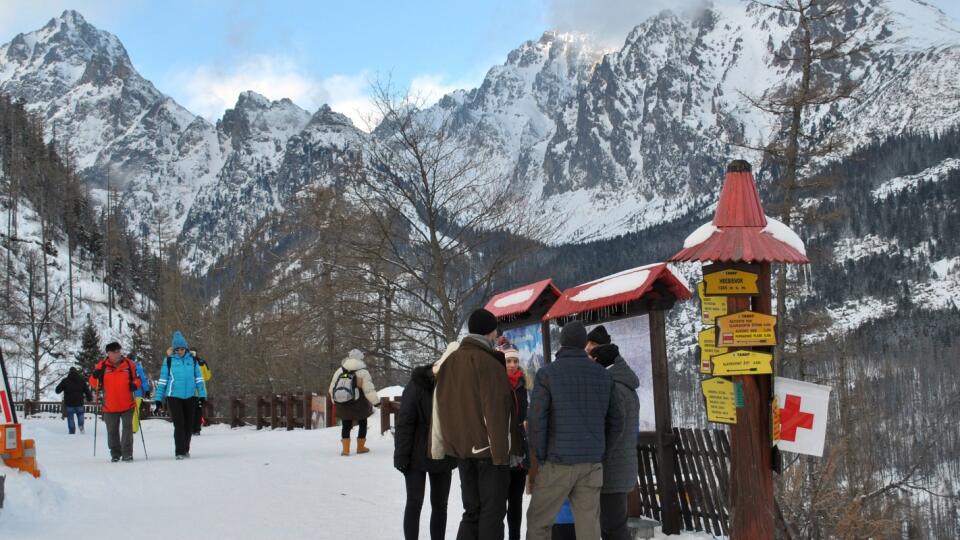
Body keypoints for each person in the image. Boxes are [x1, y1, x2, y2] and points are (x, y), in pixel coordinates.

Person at [526, 321, 619, 540]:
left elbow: (537, 418)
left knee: (539, 523)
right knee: (589, 526)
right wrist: (602, 451)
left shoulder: (547, 374)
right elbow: (617, 420)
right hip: (591, 462)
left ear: (562, 343)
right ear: (584, 344)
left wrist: (541, 455)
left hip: (557, 461)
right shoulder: (603, 375)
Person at [434, 308, 514, 540]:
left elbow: (440, 405)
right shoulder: (489, 363)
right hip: (489, 452)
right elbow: (496, 411)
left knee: (472, 511)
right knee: (493, 512)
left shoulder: (450, 361)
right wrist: (501, 456)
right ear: (491, 332)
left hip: (461, 450)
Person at [394, 344, 459, 540]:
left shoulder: (457, 386)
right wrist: (402, 454)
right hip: (416, 453)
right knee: (415, 502)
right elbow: (405, 421)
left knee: (440, 505)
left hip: (443, 453)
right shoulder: (418, 384)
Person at [587, 327, 639, 540]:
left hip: (613, 470)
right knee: (611, 527)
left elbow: (614, 429)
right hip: (618, 468)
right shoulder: (621, 383)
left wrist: (599, 455)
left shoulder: (615, 387)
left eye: (591, 353)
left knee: (613, 528)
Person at [154, 331, 207, 460]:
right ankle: (179, 451)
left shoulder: (193, 360)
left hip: (191, 396)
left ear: (186, 348)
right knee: (179, 424)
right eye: (177, 349)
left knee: (189, 424)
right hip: (174, 396)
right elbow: (163, 381)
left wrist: (202, 395)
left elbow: (199, 379)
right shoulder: (168, 361)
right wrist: (158, 399)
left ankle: (185, 449)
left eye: (182, 349)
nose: (180, 351)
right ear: (174, 349)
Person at [89, 342, 141, 462]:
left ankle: (127, 453)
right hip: (110, 405)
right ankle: (115, 453)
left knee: (127, 429)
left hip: (127, 403)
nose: (118, 354)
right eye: (115, 352)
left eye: (119, 351)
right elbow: (93, 384)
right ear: (108, 353)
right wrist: (95, 376)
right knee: (112, 431)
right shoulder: (101, 366)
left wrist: (135, 385)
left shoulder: (129, 364)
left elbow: (137, 379)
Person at [501, 344, 531, 540]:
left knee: (516, 501)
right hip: (502, 449)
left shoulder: (523, 384)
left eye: (515, 361)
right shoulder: (496, 382)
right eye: (508, 361)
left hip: (519, 450)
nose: (512, 365)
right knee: (497, 502)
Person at [328, 349, 380, 456]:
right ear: (360, 358)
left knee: (346, 424)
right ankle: (360, 447)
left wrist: (335, 401)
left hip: (342, 402)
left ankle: (345, 450)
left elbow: (332, 388)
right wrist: (376, 402)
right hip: (359, 403)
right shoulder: (363, 372)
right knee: (362, 423)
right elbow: (368, 390)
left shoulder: (340, 370)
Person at [55, 367, 92, 434]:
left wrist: (61, 388)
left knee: (70, 418)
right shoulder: (81, 380)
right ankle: (81, 425)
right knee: (80, 415)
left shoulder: (65, 381)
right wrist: (89, 397)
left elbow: (57, 390)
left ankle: (72, 431)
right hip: (79, 402)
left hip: (69, 403)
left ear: (69, 372)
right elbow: (87, 390)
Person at [130, 354, 152, 435]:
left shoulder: (124, 367)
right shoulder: (138, 367)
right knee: (136, 411)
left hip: (127, 393)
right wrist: (146, 390)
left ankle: (128, 427)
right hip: (137, 392)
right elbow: (143, 379)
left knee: (128, 411)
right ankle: (134, 428)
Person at [192, 353, 212, 435]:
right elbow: (208, 377)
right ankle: (197, 429)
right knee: (198, 411)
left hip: (190, 392)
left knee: (190, 411)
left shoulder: (187, 362)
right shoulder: (202, 363)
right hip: (200, 392)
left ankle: (192, 428)